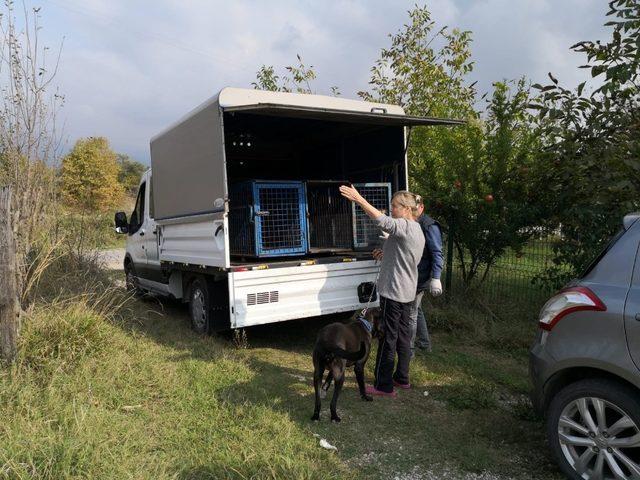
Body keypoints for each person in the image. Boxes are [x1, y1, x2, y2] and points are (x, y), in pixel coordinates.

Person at [339, 185, 424, 397]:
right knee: (404, 336)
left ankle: (383, 385)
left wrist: (359, 199)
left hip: (394, 293)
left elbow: (382, 221)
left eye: (394, 206)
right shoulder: (416, 229)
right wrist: (385, 253)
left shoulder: (405, 225)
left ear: (406, 209)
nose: (391, 209)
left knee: (388, 337)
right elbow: (403, 256)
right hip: (407, 291)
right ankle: (401, 378)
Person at [373, 196, 443, 353]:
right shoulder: (411, 224)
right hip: (409, 276)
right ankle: (422, 343)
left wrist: (436, 277)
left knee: (411, 315)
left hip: (419, 276)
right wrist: (387, 252)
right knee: (416, 312)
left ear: (421, 207)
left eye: (416, 207)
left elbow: (437, 252)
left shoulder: (428, 226)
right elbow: (404, 250)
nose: (414, 209)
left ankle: (408, 348)